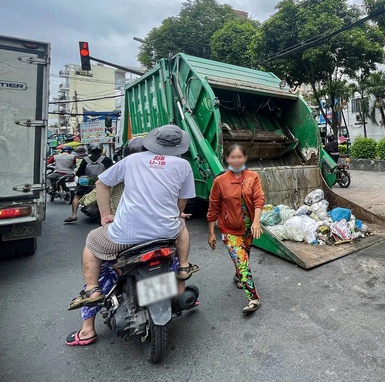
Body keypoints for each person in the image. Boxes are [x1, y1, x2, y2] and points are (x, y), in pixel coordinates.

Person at [65, 125, 200, 345]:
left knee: (92, 243)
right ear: (178, 146)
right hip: (165, 234)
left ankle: (91, 297)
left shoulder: (130, 162)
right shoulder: (183, 165)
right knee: (181, 225)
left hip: (125, 236)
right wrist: (175, 214)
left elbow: (101, 184)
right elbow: (182, 201)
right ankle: (184, 265)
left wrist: (106, 215)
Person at [207, 144, 265, 313]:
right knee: (242, 263)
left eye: (240, 157)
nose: (237, 160)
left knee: (244, 256)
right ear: (227, 160)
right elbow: (213, 207)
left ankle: (237, 276)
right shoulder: (220, 181)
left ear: (245, 158)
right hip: (229, 230)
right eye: (233, 157)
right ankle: (253, 298)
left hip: (248, 229)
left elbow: (258, 199)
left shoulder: (253, 177)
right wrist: (211, 233)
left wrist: (256, 221)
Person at [65, 142, 114, 223]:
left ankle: (73, 215)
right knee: (111, 196)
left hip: (87, 183)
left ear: (90, 150)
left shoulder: (86, 160)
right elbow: (112, 172)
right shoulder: (107, 159)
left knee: (77, 196)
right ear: (101, 149)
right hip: (102, 183)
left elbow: (79, 173)